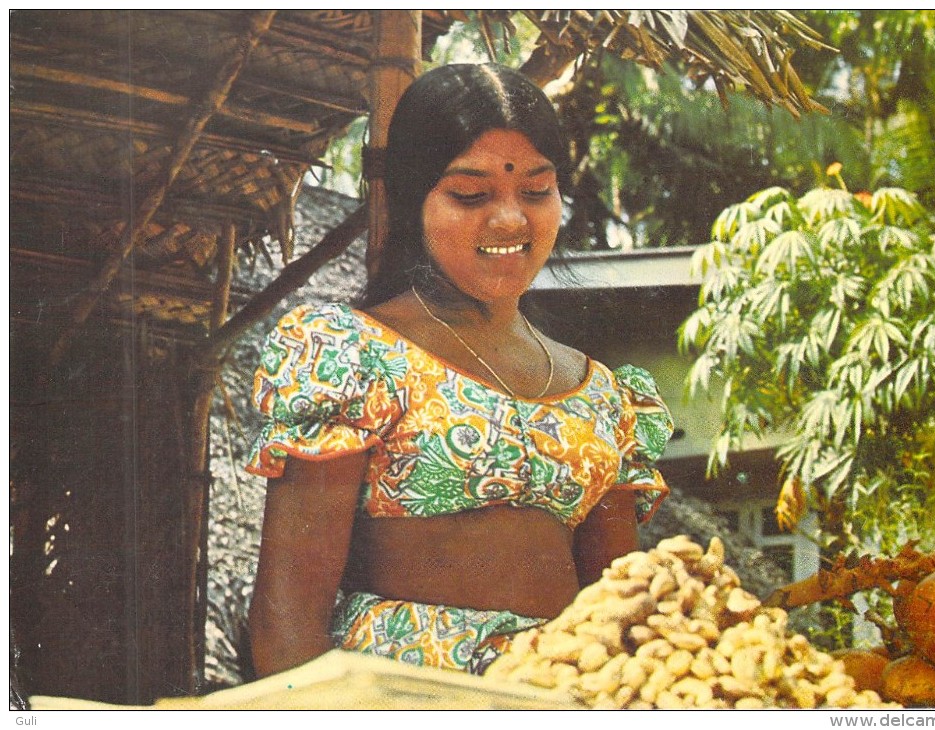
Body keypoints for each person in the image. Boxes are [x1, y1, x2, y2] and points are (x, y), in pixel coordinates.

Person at [245, 63, 674, 679]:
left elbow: (617, 609)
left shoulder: (605, 395)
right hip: (391, 696)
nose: (509, 220)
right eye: (470, 195)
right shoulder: (350, 354)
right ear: (411, 197)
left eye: (536, 190)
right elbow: (287, 611)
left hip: (562, 695)